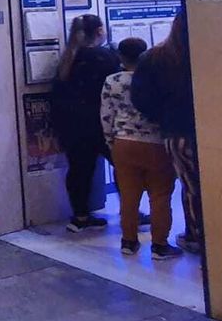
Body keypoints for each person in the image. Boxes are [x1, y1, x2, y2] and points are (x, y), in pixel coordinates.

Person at [100, 38, 181, 259]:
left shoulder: (112, 80)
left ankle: (128, 241)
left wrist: (111, 142)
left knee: (128, 196)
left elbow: (107, 115)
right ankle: (159, 246)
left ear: (121, 57)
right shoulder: (157, 79)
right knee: (160, 196)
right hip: (156, 144)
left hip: (123, 143)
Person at [130, 13, 203, 253]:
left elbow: (141, 99)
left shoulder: (155, 57)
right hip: (210, 131)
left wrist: (162, 118)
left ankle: (196, 235)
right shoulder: (209, 55)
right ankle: (208, 235)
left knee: (191, 187)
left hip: (177, 131)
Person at [52, 14, 120, 231]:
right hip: (102, 123)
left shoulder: (67, 60)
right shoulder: (104, 57)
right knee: (124, 167)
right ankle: (130, 211)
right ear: (100, 31)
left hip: (73, 126)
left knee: (79, 171)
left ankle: (80, 216)